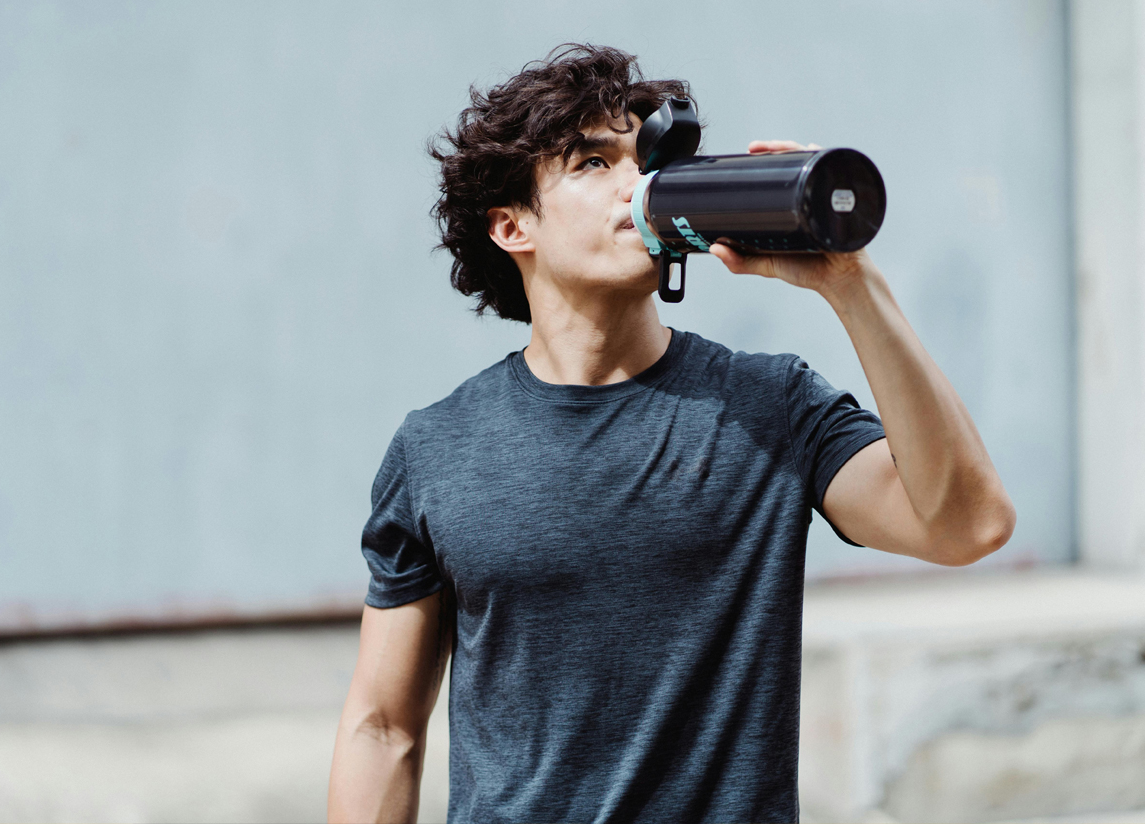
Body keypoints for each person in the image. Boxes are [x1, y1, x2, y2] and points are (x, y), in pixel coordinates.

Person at [326, 44, 1015, 824]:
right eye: (592, 162)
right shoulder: (436, 449)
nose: (638, 182)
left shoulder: (770, 407)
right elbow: (382, 728)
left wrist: (853, 286)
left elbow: (969, 523)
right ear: (512, 225)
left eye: (645, 157)